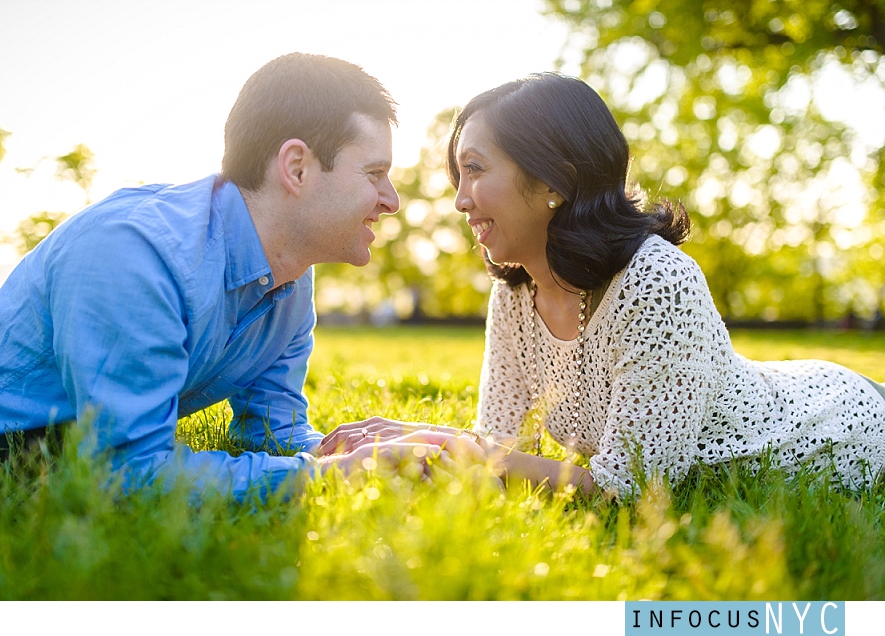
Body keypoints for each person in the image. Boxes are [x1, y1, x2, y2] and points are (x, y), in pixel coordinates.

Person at [321, 72, 885, 500]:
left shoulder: (657, 283)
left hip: (832, 430)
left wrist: (448, 449)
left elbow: (626, 490)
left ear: (553, 180)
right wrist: (416, 436)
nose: (460, 198)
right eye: (458, 174)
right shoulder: (515, 294)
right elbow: (502, 445)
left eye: (476, 169)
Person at [0, 53, 455, 500]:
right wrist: (327, 477)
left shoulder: (290, 277)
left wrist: (352, 454)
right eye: (374, 174)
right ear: (297, 168)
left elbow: (273, 427)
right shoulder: (137, 254)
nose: (391, 200)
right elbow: (129, 477)